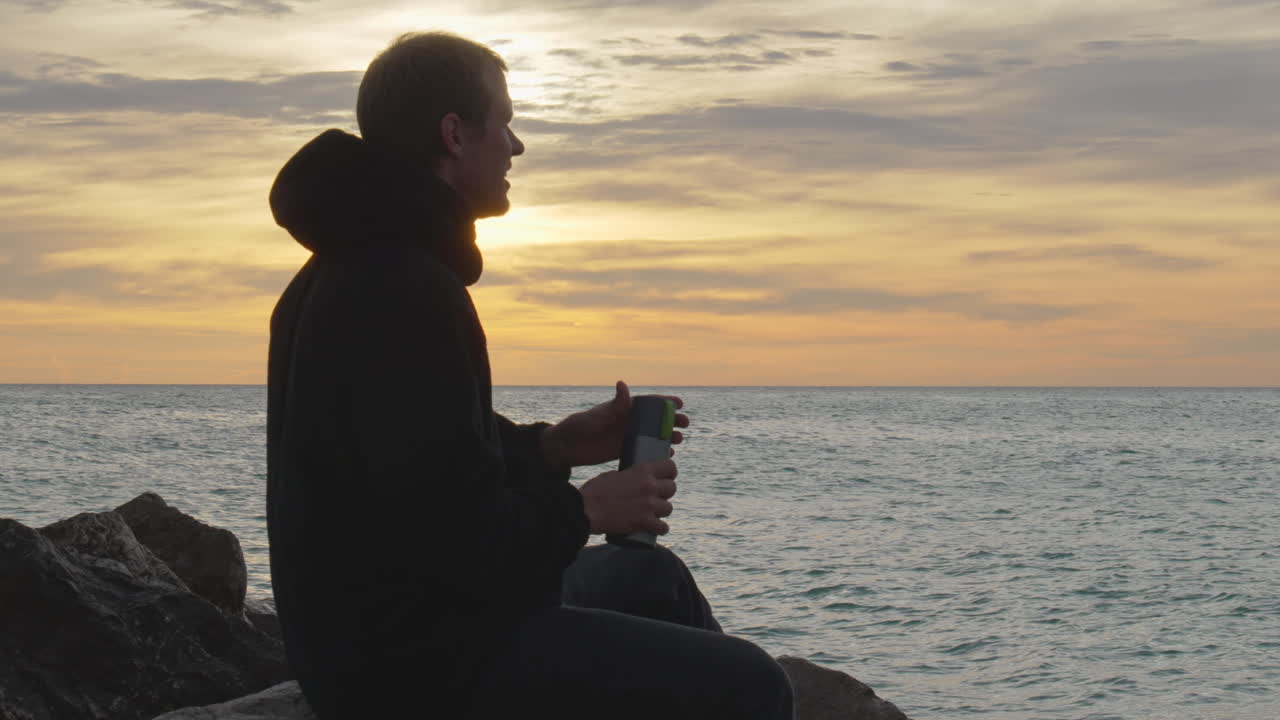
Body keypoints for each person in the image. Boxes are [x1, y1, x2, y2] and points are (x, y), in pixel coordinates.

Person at [266, 31, 794, 719]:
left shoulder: (342, 268)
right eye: (507, 123)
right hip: (416, 666)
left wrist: (553, 450)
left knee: (651, 577)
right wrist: (587, 508)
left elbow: (416, 461)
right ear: (455, 134)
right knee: (753, 685)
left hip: (381, 632)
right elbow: (461, 545)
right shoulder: (407, 287)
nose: (516, 147)